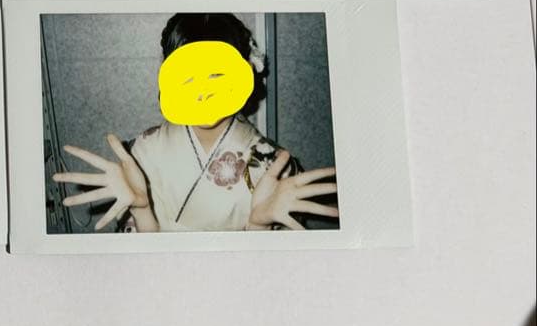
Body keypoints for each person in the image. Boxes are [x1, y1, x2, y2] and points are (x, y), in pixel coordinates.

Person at [53, 13, 339, 232]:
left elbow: (273, 271)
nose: (202, 92)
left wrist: (258, 226)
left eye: (216, 75)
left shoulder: (275, 166)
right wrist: (141, 210)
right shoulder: (143, 152)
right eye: (188, 77)